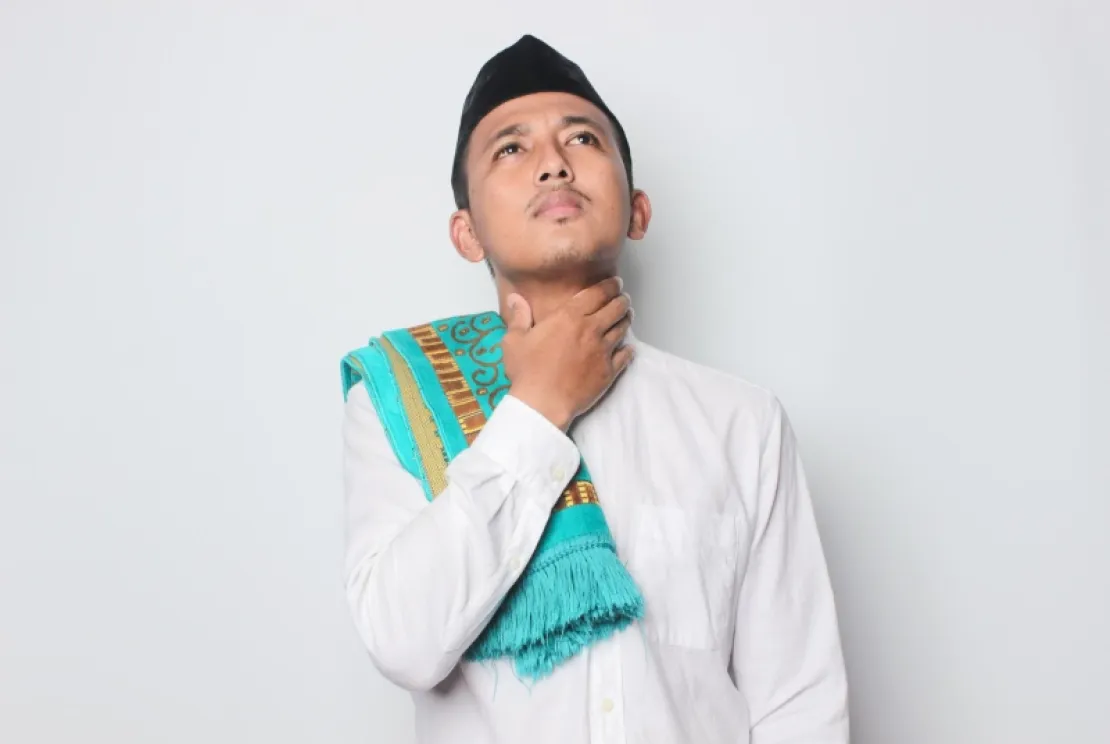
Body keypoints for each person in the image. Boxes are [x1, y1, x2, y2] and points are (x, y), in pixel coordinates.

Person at [341, 34, 849, 744]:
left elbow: (798, 705)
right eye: (510, 149)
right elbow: (403, 642)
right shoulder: (400, 401)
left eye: (582, 138)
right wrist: (537, 409)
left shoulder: (742, 423)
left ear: (638, 211)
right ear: (467, 233)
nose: (553, 163)